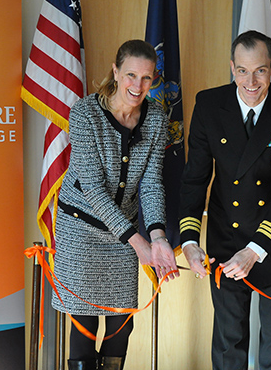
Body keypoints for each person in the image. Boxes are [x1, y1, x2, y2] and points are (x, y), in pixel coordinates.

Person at [179, 30, 271, 370]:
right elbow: (195, 178)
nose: (250, 82)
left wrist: (255, 250)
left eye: (260, 71)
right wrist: (190, 240)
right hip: (227, 240)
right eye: (242, 70)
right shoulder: (209, 105)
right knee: (228, 345)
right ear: (231, 68)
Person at [52, 39, 179, 370]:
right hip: (80, 228)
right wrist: (138, 242)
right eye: (131, 75)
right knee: (84, 323)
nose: (138, 86)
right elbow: (93, 189)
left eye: (147, 78)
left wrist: (159, 237)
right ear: (116, 71)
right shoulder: (84, 113)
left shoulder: (156, 119)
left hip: (124, 233)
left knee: (121, 325)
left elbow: (150, 185)